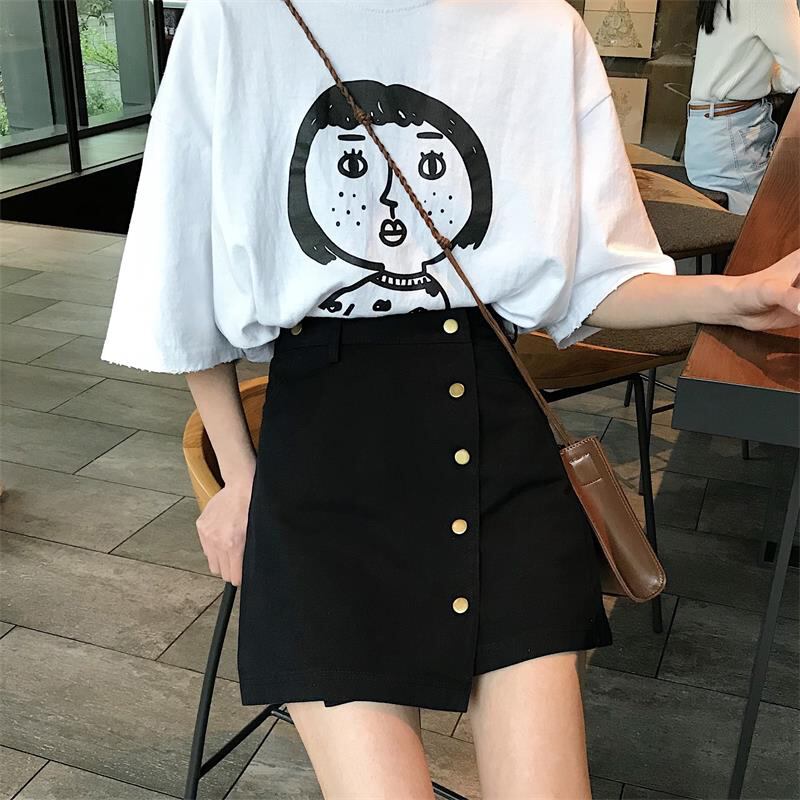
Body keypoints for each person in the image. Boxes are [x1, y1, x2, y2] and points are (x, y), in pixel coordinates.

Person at [100, 1, 800, 796]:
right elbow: (182, 274)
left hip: (500, 448)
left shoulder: (540, 28)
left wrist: (737, 297)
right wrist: (239, 477)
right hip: (326, 469)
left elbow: (593, 278)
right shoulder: (236, 18)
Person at [685, 0, 800, 214]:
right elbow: (797, 73)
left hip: (710, 136)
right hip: (734, 143)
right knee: (779, 219)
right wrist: (769, 81)